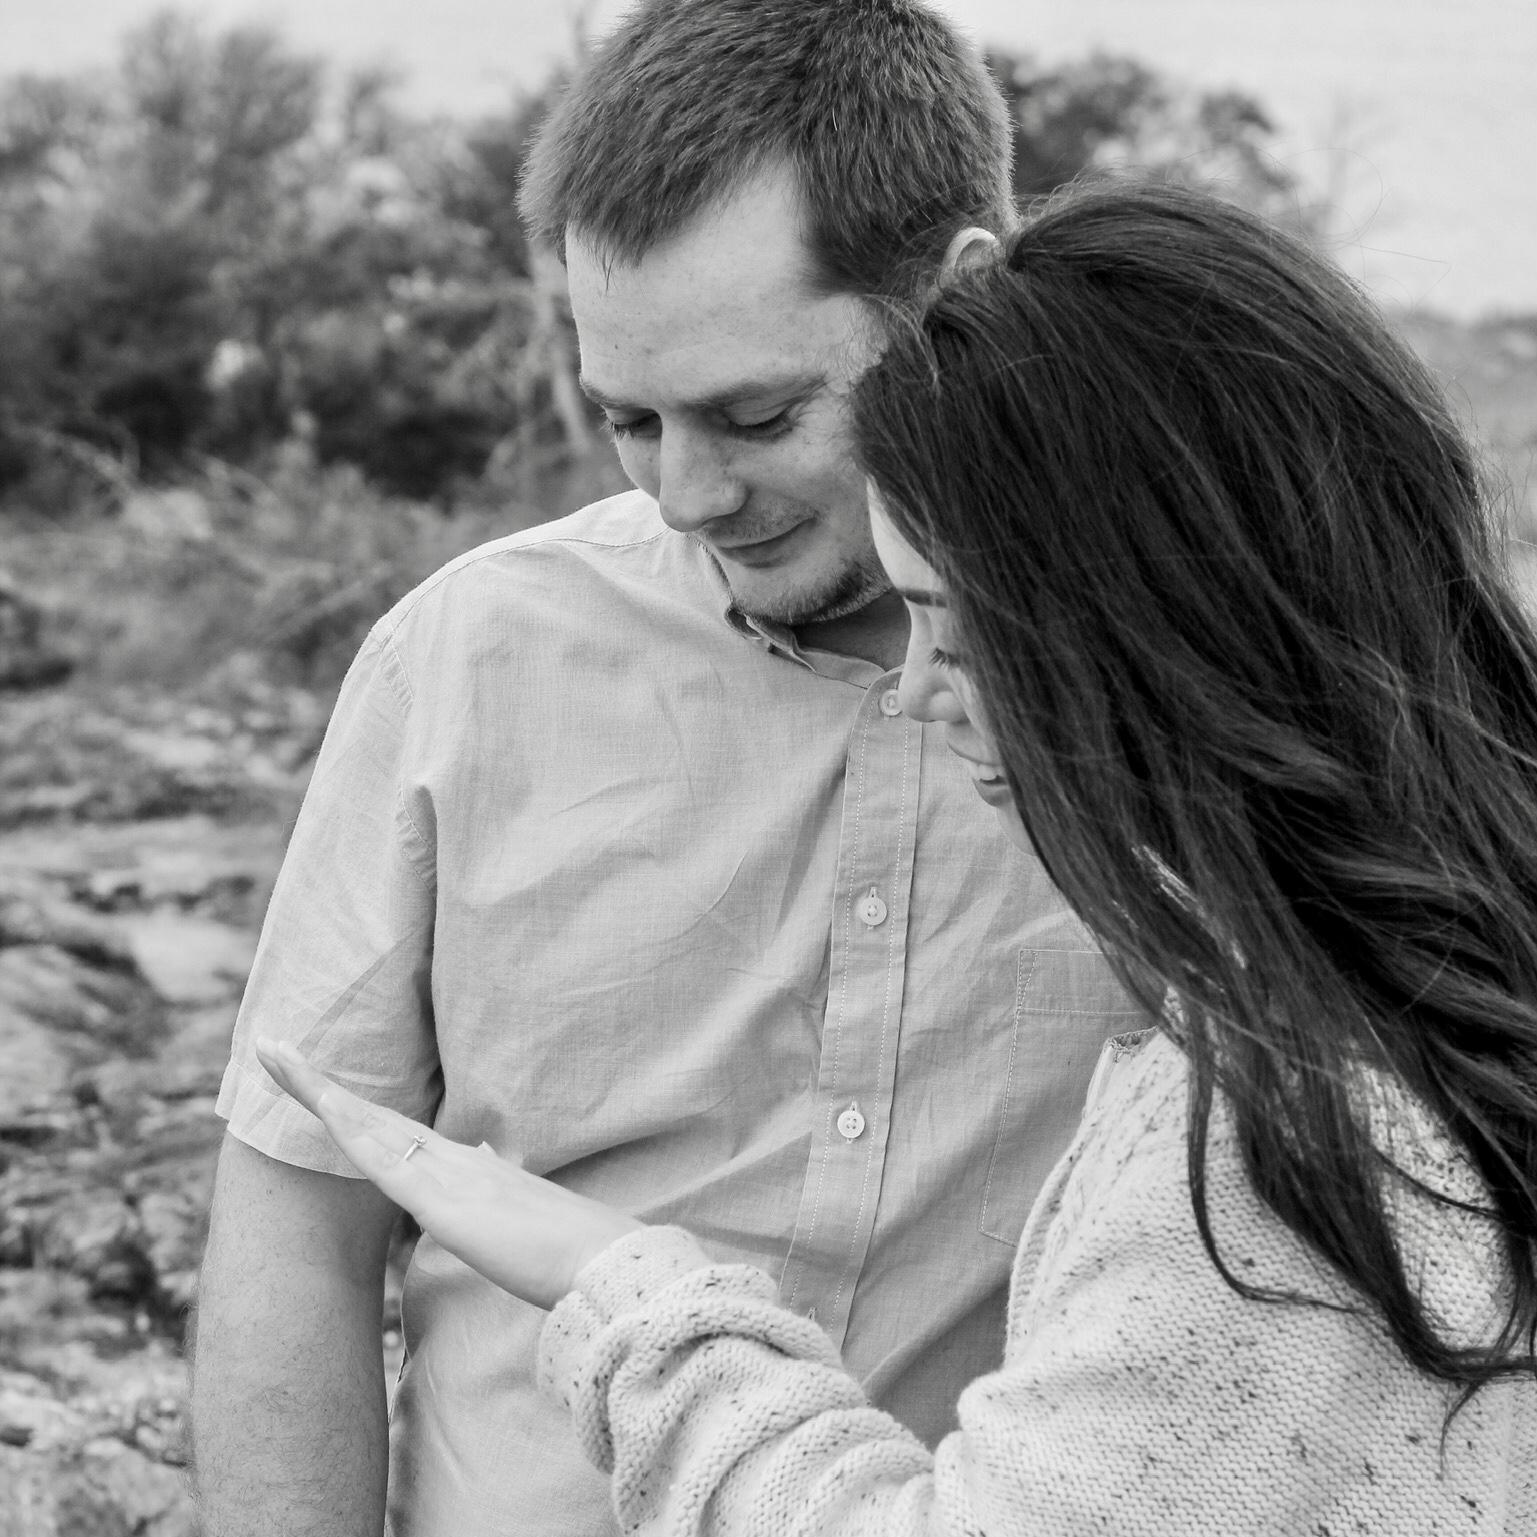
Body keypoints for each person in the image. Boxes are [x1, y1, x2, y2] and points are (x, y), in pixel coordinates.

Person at [258, 180, 1537, 1532]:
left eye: (958, 629)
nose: (922, 689)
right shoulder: (1404, 986)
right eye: (628, 421)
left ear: (1144, 623)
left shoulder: (1279, 1129)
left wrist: (627, 1286)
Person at [189, 5, 1139, 1534]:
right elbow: (296, 1229)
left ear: (960, 299)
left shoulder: (1189, 704)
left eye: (756, 415)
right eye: (628, 418)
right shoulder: (467, 656)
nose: (689, 491)